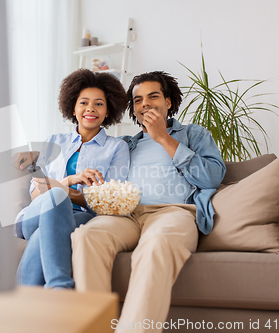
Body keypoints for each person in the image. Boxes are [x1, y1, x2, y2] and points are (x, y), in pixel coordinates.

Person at [71, 71, 226, 332]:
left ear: (168, 101)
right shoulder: (124, 145)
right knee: (86, 236)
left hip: (173, 213)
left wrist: (163, 137)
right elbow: (88, 164)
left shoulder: (193, 134)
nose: (145, 104)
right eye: (138, 100)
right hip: (126, 215)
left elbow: (212, 177)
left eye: (153, 97)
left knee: (156, 243)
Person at [15, 69, 130, 289]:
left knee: (45, 233)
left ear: (108, 111)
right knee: (56, 197)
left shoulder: (117, 148)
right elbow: (35, 193)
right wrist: (68, 182)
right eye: (84, 102)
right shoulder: (53, 141)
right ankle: (60, 288)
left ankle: (49, 293)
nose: (90, 109)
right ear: (73, 107)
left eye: (99, 104)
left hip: (80, 217)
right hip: (35, 215)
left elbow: (108, 200)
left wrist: (60, 188)